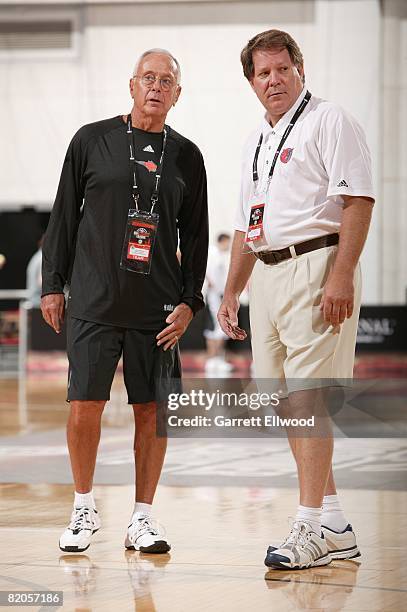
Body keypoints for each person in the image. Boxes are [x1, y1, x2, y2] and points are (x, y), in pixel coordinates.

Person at [41, 49, 208, 554]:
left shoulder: (187, 156)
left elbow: (196, 236)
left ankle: (143, 518)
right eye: (148, 78)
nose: (156, 87)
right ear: (132, 85)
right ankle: (83, 508)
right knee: (84, 406)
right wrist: (53, 282)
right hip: (93, 299)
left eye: (167, 82)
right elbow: (64, 214)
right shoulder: (92, 140)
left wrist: (190, 301)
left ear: (178, 95)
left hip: (157, 308)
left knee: (153, 412)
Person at [218, 29, 374, 570]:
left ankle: (307, 525)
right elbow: (245, 225)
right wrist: (232, 289)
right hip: (266, 275)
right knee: (287, 405)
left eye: (282, 68)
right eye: (263, 73)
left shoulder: (329, 120)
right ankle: (332, 522)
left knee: (309, 400)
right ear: (252, 83)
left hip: (316, 265)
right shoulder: (255, 141)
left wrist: (342, 274)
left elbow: (357, 199)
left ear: (299, 69)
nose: (273, 80)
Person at [204, 233, 232, 373]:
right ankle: (212, 358)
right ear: (222, 241)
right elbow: (205, 270)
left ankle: (219, 358)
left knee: (220, 327)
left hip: (221, 294)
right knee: (214, 326)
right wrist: (210, 284)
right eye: (228, 242)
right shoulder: (212, 254)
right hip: (213, 295)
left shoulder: (224, 256)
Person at [26, 236, 43, 307]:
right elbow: (42, 282)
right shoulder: (43, 258)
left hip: (34, 302)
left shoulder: (36, 256)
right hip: (39, 304)